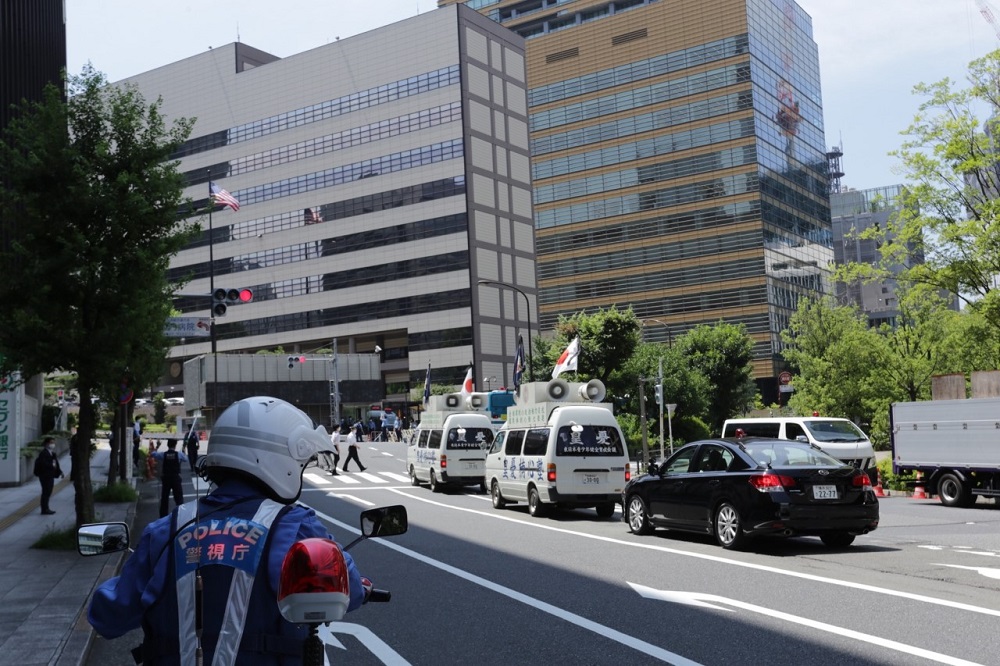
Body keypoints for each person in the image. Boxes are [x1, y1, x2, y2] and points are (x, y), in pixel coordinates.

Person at [87, 396, 370, 665]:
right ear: (275, 458)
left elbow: (106, 617)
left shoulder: (165, 531)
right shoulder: (294, 527)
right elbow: (352, 590)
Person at [151, 439, 188, 518]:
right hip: (175, 478)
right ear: (175, 445)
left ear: (168, 445)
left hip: (166, 478)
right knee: (179, 498)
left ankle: (163, 516)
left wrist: (157, 446)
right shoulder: (178, 454)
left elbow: (153, 454)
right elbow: (186, 459)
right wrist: (184, 451)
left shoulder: (163, 455)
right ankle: (181, 515)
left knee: (164, 498)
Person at [33, 436, 63, 515]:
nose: (53, 444)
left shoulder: (52, 453)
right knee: (46, 492)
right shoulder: (43, 453)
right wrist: (51, 465)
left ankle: (46, 508)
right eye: (51, 442)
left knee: (48, 492)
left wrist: (59, 472)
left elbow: (56, 464)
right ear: (46, 444)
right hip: (45, 476)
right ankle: (44, 509)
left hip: (50, 475)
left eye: (53, 442)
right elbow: (44, 464)